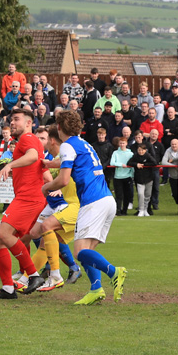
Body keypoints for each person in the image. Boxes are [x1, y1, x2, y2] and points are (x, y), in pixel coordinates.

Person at [42, 110, 127, 305]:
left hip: (92, 203)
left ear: (60, 127)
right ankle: (96, 289)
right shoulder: (83, 143)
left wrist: (46, 186)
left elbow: (63, 179)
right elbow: (68, 162)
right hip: (107, 200)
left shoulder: (66, 146)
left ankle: (115, 271)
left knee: (80, 253)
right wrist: (47, 164)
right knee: (88, 252)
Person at [0, 108, 47, 299]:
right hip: (30, 197)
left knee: (4, 234)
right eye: (11, 120)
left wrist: (9, 165)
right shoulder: (32, 141)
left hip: (28, 198)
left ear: (29, 123)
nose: (12, 123)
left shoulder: (27, 139)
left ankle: (34, 275)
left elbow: (31, 157)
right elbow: (40, 168)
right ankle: (8, 288)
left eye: (16, 119)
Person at [21, 126, 82, 290]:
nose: (41, 142)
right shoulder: (52, 157)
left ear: (51, 140)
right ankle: (29, 276)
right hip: (55, 203)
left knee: (49, 232)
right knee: (35, 234)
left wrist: (52, 187)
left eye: (43, 139)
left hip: (68, 204)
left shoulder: (65, 154)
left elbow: (64, 177)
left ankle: (57, 273)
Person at [129, 141, 158, 217]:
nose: (140, 152)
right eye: (139, 150)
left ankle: (145, 209)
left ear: (145, 150)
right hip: (139, 179)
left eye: (142, 150)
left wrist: (144, 165)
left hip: (149, 178)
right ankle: (141, 210)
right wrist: (136, 164)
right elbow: (129, 163)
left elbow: (154, 163)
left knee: (147, 195)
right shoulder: (135, 156)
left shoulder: (148, 156)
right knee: (140, 194)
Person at [110, 137, 134, 215]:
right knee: (119, 195)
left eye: (123, 143)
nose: (122, 145)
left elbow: (132, 165)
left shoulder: (130, 154)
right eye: (120, 143)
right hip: (118, 177)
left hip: (127, 177)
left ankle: (125, 210)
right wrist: (121, 165)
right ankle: (118, 210)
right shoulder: (115, 153)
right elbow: (112, 163)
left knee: (127, 195)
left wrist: (132, 175)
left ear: (126, 143)